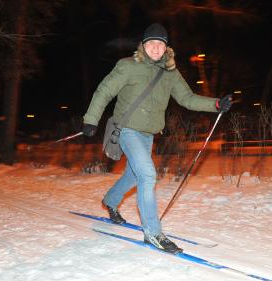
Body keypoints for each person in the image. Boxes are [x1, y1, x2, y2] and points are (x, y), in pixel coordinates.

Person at [82, 23, 231, 253]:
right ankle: (152, 233)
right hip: (127, 130)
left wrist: (216, 104)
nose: (155, 48)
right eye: (151, 43)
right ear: (143, 45)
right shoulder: (128, 66)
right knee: (148, 175)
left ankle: (110, 201)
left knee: (134, 175)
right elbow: (104, 91)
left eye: (160, 44)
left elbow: (188, 98)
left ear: (165, 48)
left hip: (148, 134)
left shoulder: (170, 74)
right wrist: (91, 119)